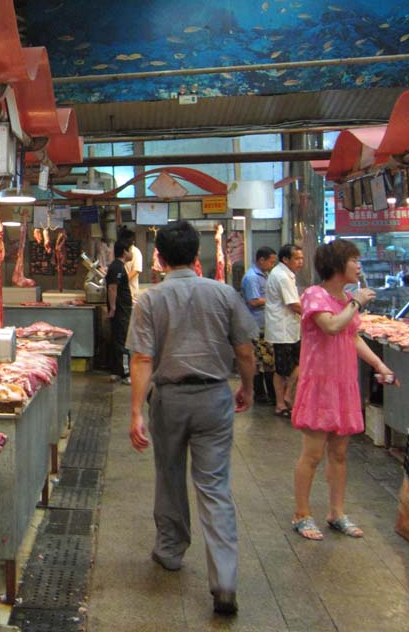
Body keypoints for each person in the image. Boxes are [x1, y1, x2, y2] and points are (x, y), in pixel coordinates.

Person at [126, 221, 256, 616]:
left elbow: (142, 358)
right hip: (215, 396)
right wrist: (247, 388)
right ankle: (225, 582)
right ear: (197, 256)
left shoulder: (150, 300)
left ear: (160, 259)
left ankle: (170, 550)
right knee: (214, 486)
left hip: (169, 399)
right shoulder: (224, 294)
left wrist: (135, 412)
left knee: (169, 474)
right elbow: (246, 349)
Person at [291, 240, 396, 541]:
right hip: (319, 385)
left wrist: (380, 365)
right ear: (337, 265)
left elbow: (352, 337)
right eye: (353, 259)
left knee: (339, 453)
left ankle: (336, 512)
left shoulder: (347, 299)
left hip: (344, 384)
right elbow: (332, 326)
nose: (359, 265)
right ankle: (301, 514)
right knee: (312, 454)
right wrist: (357, 302)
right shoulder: (315, 295)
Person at [265, 244, 304, 417]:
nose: (300, 262)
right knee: (290, 367)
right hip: (283, 329)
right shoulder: (282, 276)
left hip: (287, 328)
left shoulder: (285, 274)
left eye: (301, 258)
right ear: (286, 259)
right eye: (297, 258)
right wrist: (316, 315)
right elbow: (294, 304)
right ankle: (285, 399)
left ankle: (283, 402)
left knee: (283, 368)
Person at [241, 247, 277, 405]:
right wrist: (276, 300)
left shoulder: (265, 275)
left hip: (266, 323)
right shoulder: (252, 278)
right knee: (259, 361)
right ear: (261, 260)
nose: (272, 265)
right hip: (256, 325)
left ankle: (269, 393)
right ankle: (260, 394)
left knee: (268, 360)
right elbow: (253, 301)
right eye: (270, 262)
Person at [106, 239, 134, 383]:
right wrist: (113, 308)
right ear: (124, 251)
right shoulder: (117, 267)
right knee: (123, 341)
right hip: (120, 310)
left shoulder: (117, 266)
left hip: (121, 309)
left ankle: (116, 372)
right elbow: (112, 288)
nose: (132, 253)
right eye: (130, 249)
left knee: (117, 340)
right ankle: (125, 373)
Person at [119, 226, 143, 301]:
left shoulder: (135, 251)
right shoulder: (120, 250)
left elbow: (136, 270)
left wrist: (122, 281)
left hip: (131, 292)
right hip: (121, 292)